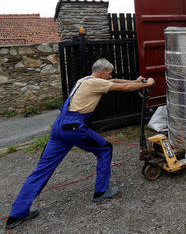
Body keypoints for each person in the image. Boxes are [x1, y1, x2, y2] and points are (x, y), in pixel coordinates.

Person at [5, 58, 155, 229]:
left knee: (41, 169)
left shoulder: (85, 80)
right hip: (74, 128)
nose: (111, 75)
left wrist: (135, 81)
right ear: (101, 72)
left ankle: (16, 214)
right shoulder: (95, 83)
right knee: (105, 149)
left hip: (59, 127)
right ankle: (101, 192)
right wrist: (146, 83)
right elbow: (124, 88)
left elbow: (114, 82)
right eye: (109, 72)